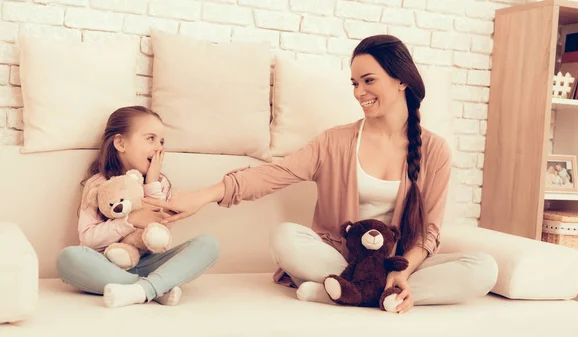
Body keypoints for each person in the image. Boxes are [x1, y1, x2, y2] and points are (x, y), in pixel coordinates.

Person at [144, 35, 498, 313]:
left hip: (395, 265)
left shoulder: (435, 150)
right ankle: (374, 293)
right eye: (354, 83)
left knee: (483, 269)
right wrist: (203, 196)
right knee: (286, 238)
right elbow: (274, 174)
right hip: (341, 257)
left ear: (401, 80)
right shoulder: (336, 142)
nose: (359, 92)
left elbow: (429, 234)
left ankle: (352, 291)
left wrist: (401, 273)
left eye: (368, 80)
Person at [56, 106, 220, 308]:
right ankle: (154, 288)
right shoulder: (98, 185)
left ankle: (143, 289)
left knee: (208, 244)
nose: (159, 147)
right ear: (120, 143)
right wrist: (129, 221)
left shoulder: (161, 183)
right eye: (150, 138)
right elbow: (88, 240)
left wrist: (152, 184)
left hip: (148, 263)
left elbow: (161, 234)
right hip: (107, 264)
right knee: (68, 258)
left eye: (161, 141)